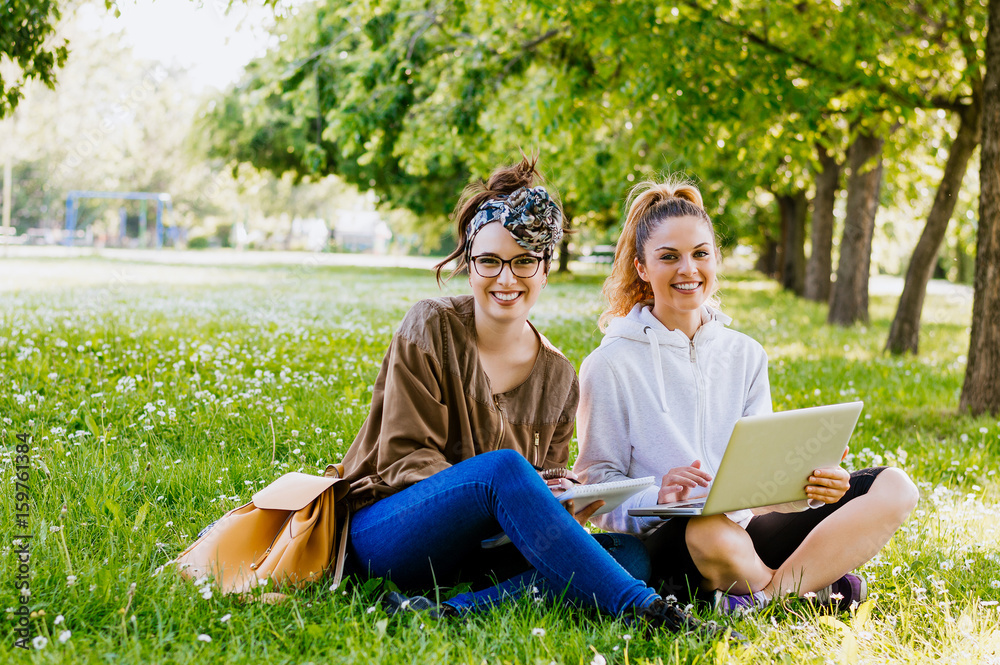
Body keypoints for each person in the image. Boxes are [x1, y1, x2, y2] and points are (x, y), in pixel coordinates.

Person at [338, 158, 726, 635]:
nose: (506, 279)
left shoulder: (559, 376)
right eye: (489, 261)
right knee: (503, 470)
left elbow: (542, 481)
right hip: (393, 533)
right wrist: (508, 499)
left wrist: (560, 501)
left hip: (485, 549)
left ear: (544, 270)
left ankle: (448, 614)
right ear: (469, 264)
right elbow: (402, 459)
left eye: (524, 261)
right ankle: (650, 613)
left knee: (627, 553)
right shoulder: (430, 326)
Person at [573, 179, 919, 614]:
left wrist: (810, 487)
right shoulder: (609, 364)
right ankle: (812, 586)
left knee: (895, 487)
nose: (688, 269)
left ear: (716, 260)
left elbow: (762, 485)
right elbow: (594, 491)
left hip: (748, 528)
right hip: (678, 541)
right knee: (708, 530)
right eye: (669, 257)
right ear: (642, 267)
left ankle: (765, 598)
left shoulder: (745, 354)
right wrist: (660, 496)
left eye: (701, 254)